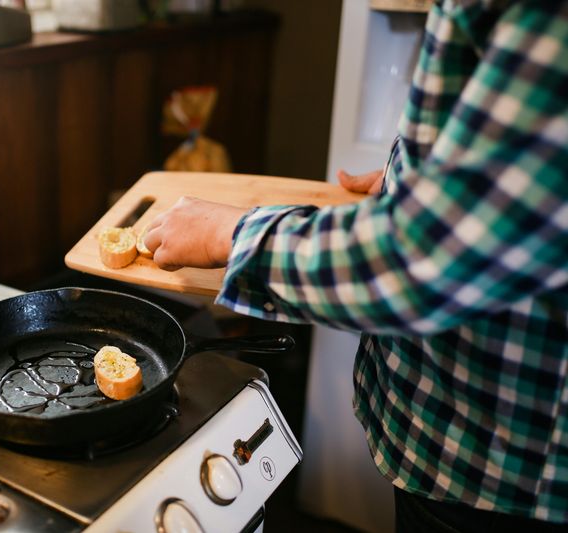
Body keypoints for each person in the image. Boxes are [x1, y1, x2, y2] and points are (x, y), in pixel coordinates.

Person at [143, 1, 568, 531]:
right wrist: (416, 182)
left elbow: (424, 258)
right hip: (451, 436)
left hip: (498, 472)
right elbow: (518, 184)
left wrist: (227, 233)